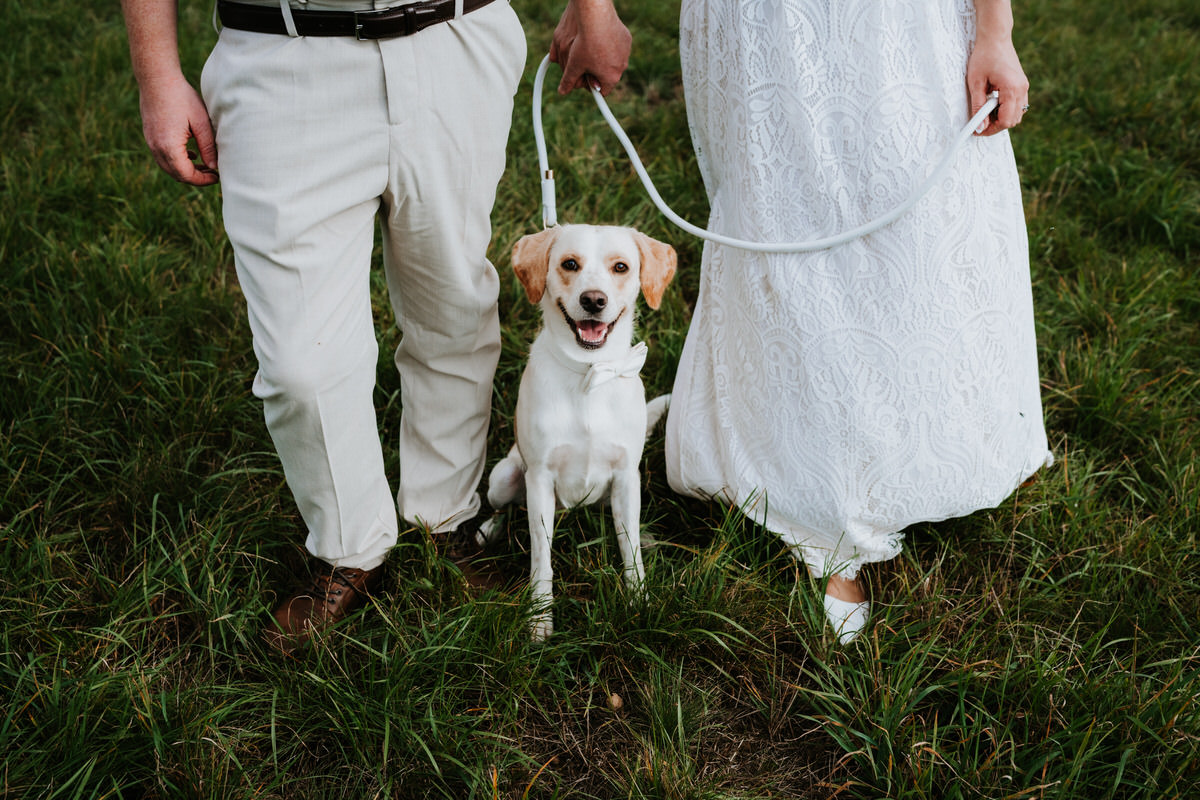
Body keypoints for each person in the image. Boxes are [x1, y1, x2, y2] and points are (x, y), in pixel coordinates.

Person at [552, 0, 1052, 643]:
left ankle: (935, 441)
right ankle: (826, 506)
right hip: (767, 22)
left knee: (929, 211)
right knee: (787, 218)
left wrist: (995, 30)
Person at [122, 0, 527, 652]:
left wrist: (592, 10)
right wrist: (156, 72)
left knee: (452, 306)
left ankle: (446, 513)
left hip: (455, 39)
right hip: (281, 51)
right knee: (299, 366)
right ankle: (349, 545)